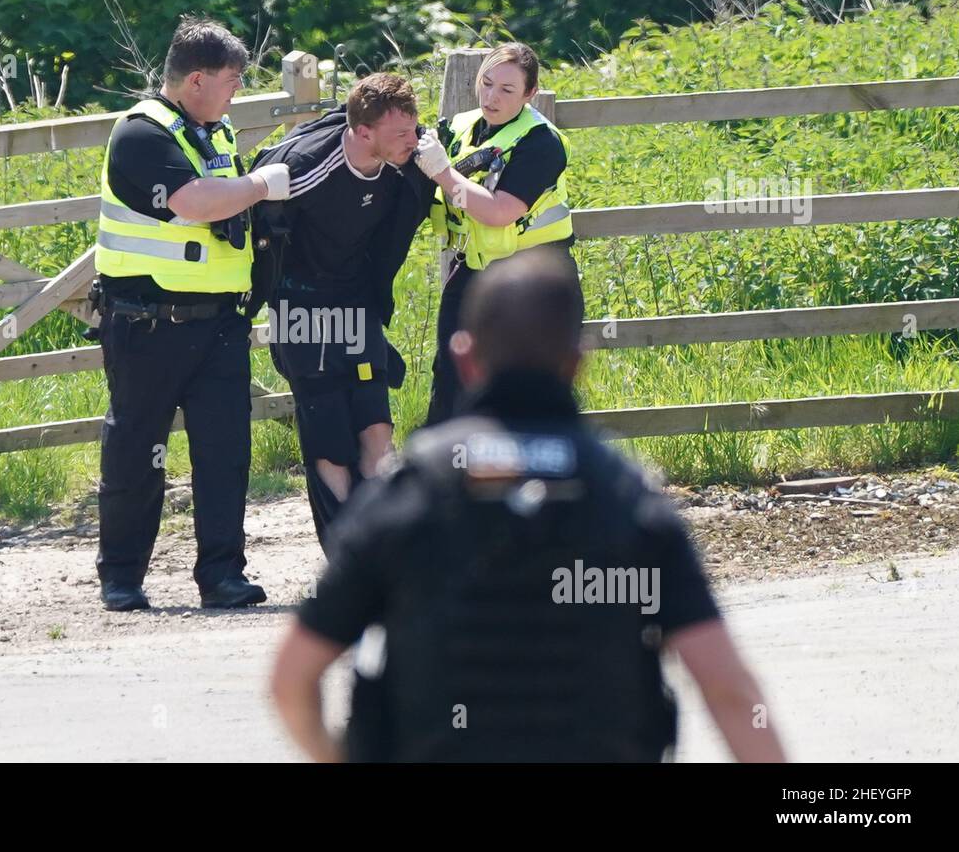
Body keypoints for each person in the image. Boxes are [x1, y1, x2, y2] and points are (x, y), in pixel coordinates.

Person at [270, 247, 786, 762]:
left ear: (464, 358)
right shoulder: (626, 497)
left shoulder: (408, 493)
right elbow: (729, 691)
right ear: (577, 362)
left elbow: (292, 679)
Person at [92, 15, 291, 612]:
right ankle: (122, 578)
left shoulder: (215, 132)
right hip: (147, 323)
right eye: (232, 80)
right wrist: (261, 185)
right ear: (196, 79)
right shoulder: (141, 134)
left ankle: (222, 575)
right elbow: (196, 202)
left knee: (224, 454)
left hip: (220, 326)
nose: (237, 92)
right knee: (136, 452)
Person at [248, 74, 431, 549]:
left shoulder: (408, 160)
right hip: (300, 303)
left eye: (414, 129)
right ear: (363, 132)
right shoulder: (304, 168)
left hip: (356, 299)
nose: (414, 141)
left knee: (376, 425)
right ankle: (346, 554)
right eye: (402, 134)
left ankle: (385, 547)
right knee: (329, 438)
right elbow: (254, 234)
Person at [413, 41, 580, 425]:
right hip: (473, 271)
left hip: (534, 279)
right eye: (486, 84)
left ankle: (538, 479)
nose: (492, 97)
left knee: (534, 384)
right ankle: (447, 476)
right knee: (452, 378)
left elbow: (500, 211)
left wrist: (442, 171)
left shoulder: (541, 143)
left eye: (506, 90)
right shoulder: (460, 127)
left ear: (530, 93)